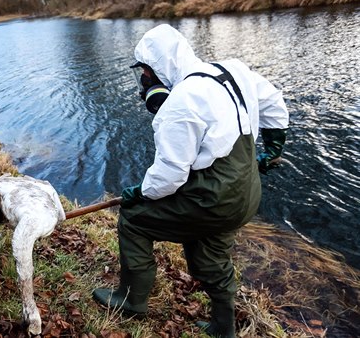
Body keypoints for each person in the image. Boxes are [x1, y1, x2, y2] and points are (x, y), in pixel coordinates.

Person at [92, 24, 289, 338]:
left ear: (156, 69)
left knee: (133, 221)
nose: (144, 83)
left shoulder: (178, 104)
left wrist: (139, 193)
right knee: (209, 253)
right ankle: (224, 329)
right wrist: (273, 149)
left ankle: (131, 301)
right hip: (248, 192)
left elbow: (169, 178)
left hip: (213, 199)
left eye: (145, 74)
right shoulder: (233, 70)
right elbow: (274, 105)